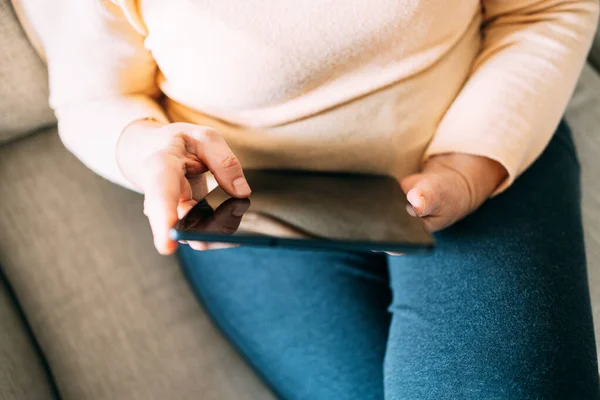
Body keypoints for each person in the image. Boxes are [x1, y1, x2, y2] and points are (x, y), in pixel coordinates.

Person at [27, 0, 599, 398]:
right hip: (252, 211)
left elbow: (544, 11)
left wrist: (470, 169)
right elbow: (95, 97)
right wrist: (146, 148)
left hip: (483, 148)